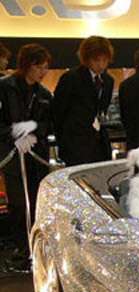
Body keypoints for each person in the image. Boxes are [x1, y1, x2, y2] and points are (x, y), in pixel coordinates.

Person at [0, 44, 53, 268]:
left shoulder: (44, 94)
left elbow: (49, 122)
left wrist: (34, 129)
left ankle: (37, 249)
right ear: (27, 65)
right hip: (12, 155)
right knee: (19, 204)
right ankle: (21, 249)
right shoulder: (5, 87)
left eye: (45, 67)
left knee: (37, 200)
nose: (42, 72)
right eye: (38, 67)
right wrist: (14, 134)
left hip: (36, 155)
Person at [53, 36, 114, 166]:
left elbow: (102, 109)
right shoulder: (71, 78)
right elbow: (58, 112)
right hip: (75, 145)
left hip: (100, 145)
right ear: (86, 59)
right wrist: (64, 142)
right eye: (96, 60)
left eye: (105, 60)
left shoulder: (108, 81)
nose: (101, 65)